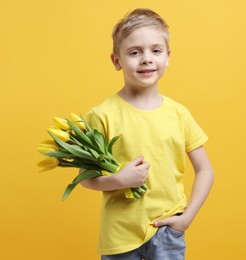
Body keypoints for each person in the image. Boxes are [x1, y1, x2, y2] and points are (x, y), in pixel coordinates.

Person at [80, 8, 214, 260]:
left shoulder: (179, 113)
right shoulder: (101, 115)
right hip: (119, 235)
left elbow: (206, 170)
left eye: (155, 50)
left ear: (167, 56)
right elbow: (86, 178)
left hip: (167, 230)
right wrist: (120, 180)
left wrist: (186, 218)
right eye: (134, 52)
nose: (146, 59)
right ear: (116, 60)